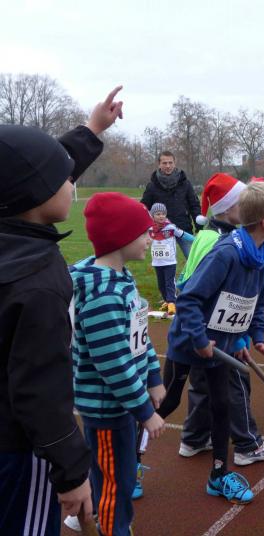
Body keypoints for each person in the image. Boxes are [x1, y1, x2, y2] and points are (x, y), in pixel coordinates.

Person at [0, 85, 121, 536]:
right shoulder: (38, 283)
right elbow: (41, 392)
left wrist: (92, 129)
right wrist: (71, 472)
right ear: (33, 194)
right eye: (66, 180)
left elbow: (24, 169)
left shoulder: (11, 225)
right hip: (20, 450)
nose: (73, 184)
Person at [153, 182, 264, 504]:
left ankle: (219, 475)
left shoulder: (262, 255)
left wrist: (253, 337)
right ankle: (129, 461)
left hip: (220, 345)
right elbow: (189, 299)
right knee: (166, 403)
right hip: (190, 341)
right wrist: (199, 340)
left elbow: (253, 301)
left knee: (222, 406)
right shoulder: (226, 253)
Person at [70, 193, 167, 536]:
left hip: (122, 405)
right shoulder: (104, 296)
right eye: (143, 233)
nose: (150, 238)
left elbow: (138, 336)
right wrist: (144, 410)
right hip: (108, 409)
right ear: (120, 237)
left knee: (118, 476)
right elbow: (113, 362)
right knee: (116, 481)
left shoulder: (121, 278)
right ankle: (113, 529)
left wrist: (153, 376)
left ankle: (109, 521)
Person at [176, 173, 264, 470]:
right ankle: (246, 445)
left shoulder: (251, 249)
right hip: (206, 334)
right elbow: (196, 292)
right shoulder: (221, 244)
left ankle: (194, 438)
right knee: (226, 388)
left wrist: (251, 335)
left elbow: (251, 297)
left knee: (207, 389)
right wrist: (207, 336)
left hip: (215, 332)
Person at [140, 150, 201, 258]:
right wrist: (146, 227)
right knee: (165, 264)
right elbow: (144, 207)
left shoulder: (185, 183)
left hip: (184, 228)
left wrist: (199, 226)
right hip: (162, 232)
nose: (168, 166)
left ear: (174, 163)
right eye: (164, 163)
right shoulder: (152, 186)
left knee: (194, 261)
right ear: (159, 164)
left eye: (170, 163)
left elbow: (194, 205)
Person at [148, 203, 194, 316]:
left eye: (163, 214)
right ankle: (167, 301)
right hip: (157, 262)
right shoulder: (150, 229)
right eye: (158, 214)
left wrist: (197, 240)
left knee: (169, 283)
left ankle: (172, 302)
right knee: (161, 285)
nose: (161, 216)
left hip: (169, 262)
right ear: (152, 216)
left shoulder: (171, 227)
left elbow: (184, 235)